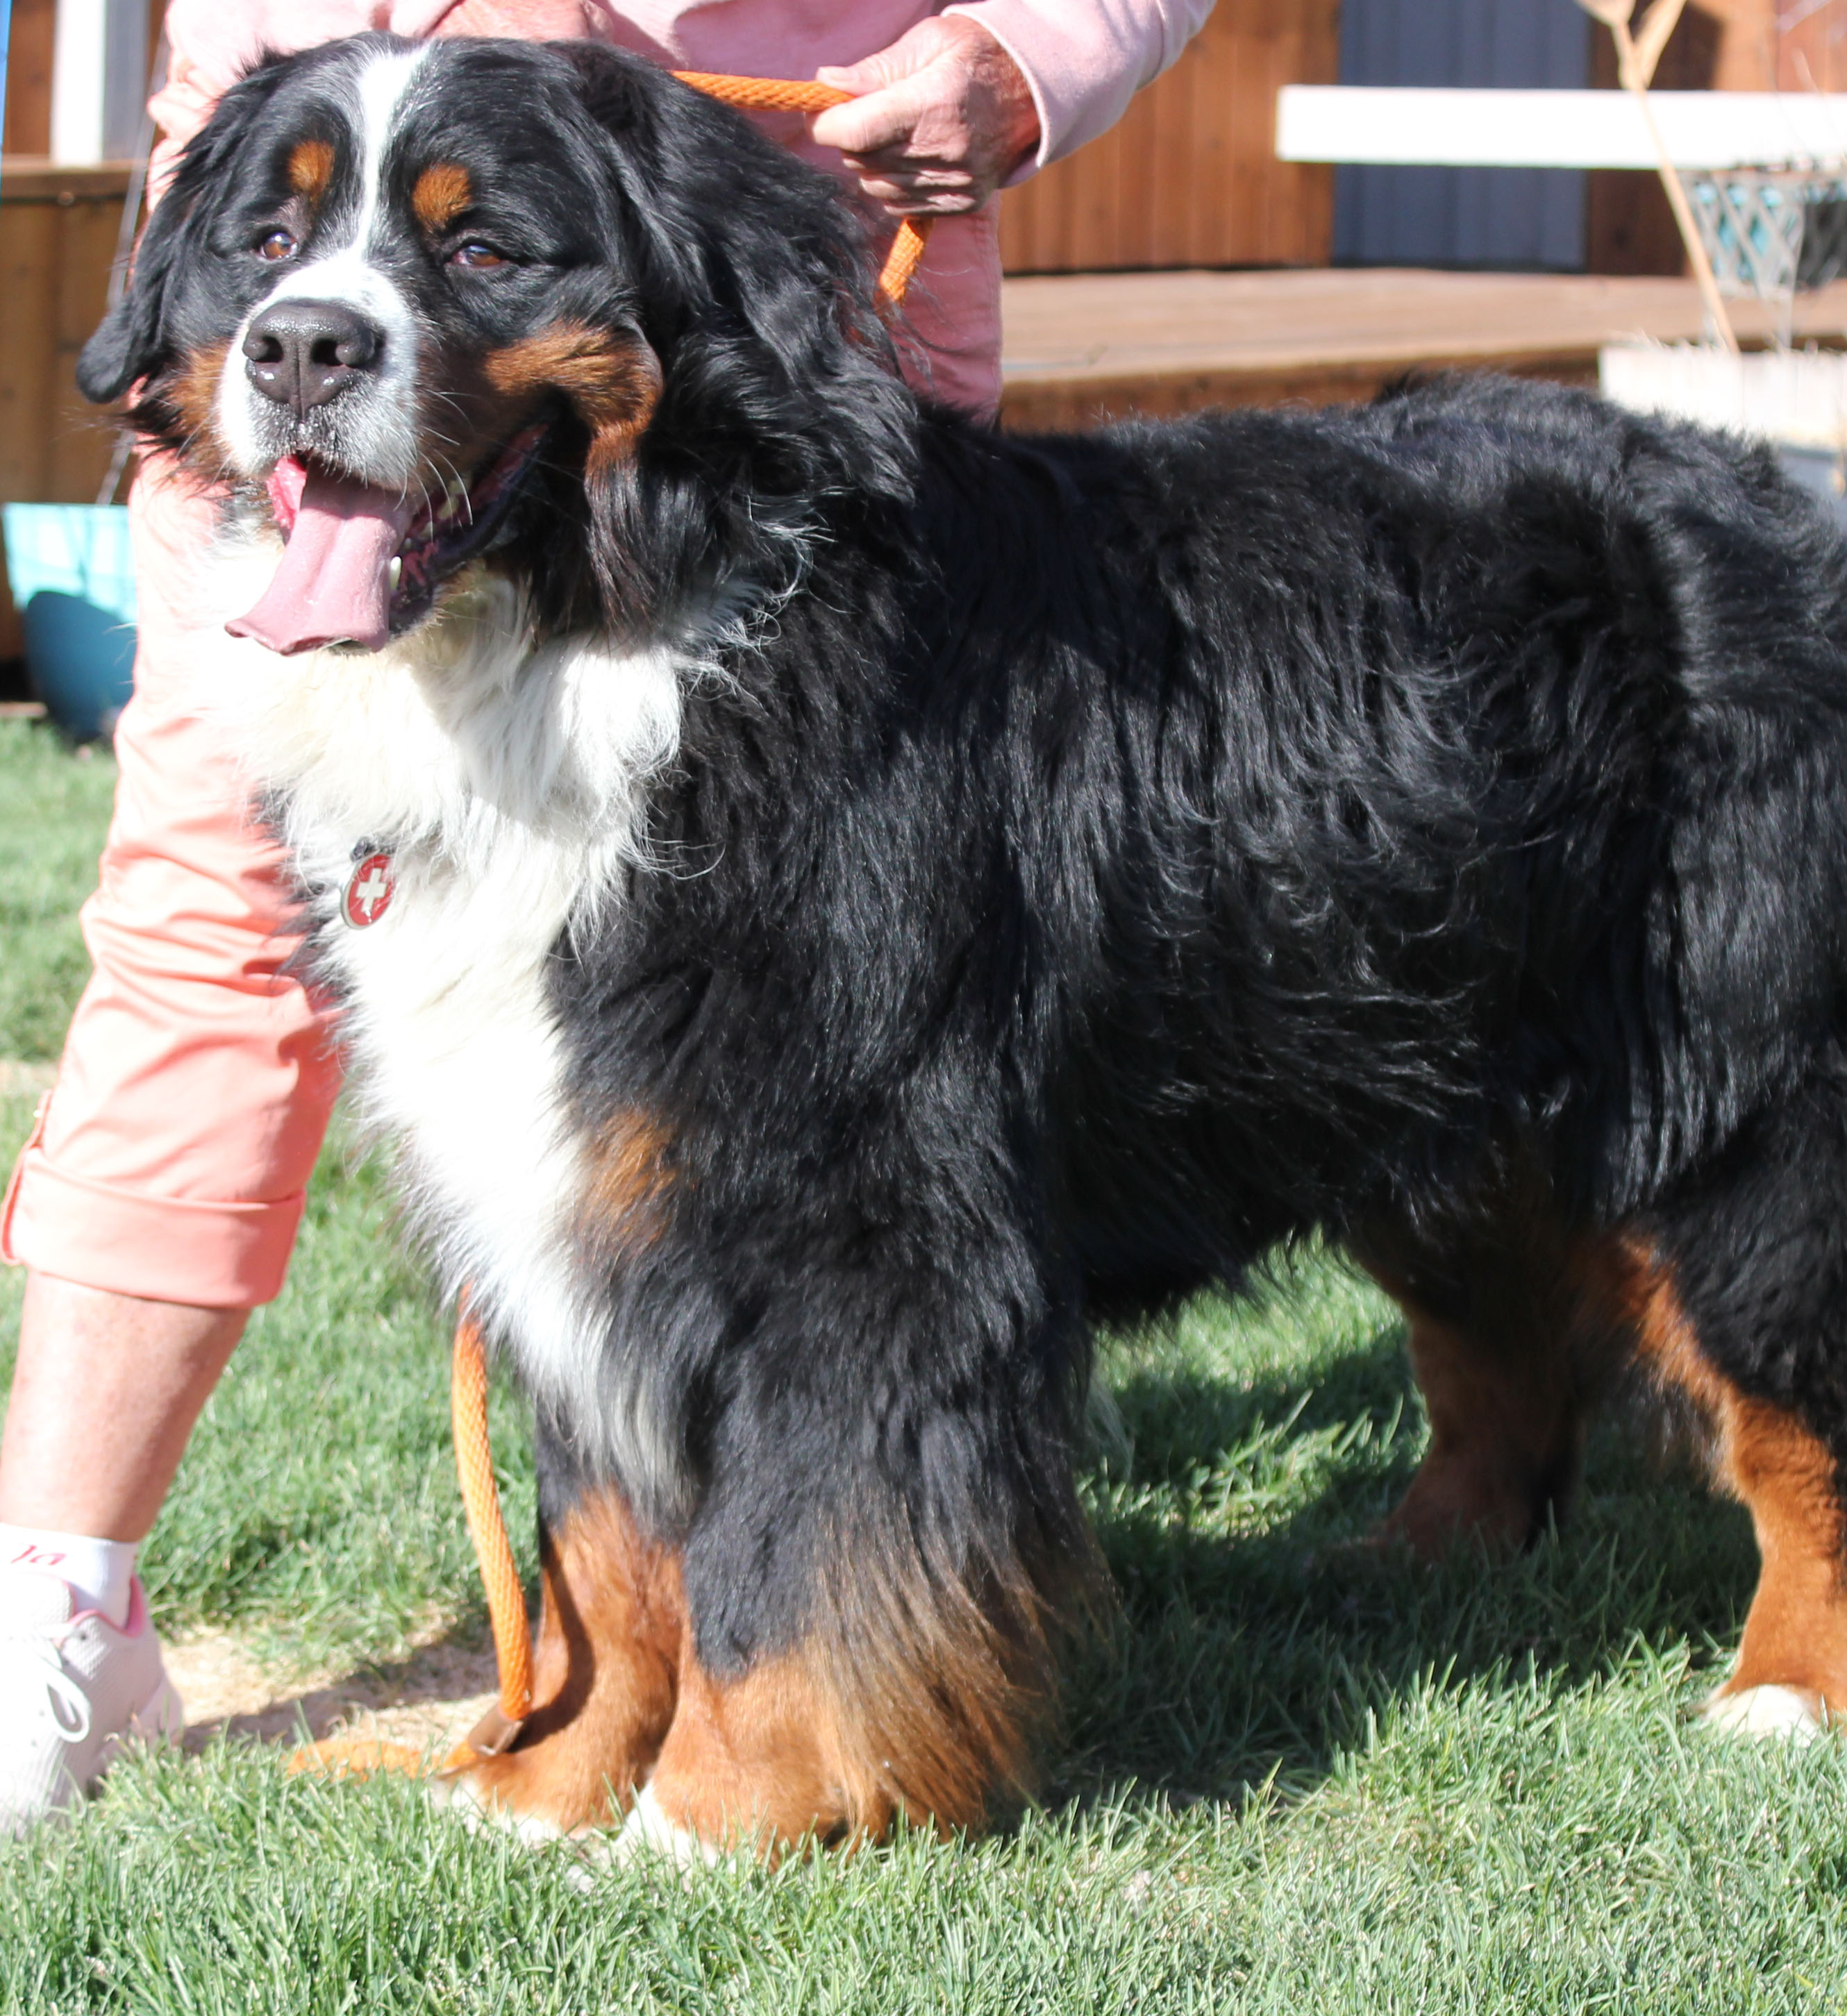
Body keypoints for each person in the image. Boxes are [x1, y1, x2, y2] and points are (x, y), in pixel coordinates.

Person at [0, 0, 1210, 1831]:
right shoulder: (281, 289)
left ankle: (786, 1732)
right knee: (212, 929)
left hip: (782, 275)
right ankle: (63, 1595)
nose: (327, 298)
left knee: (850, 1133)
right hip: (317, 52)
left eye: (464, 244)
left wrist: (1049, 45)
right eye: (279, 247)